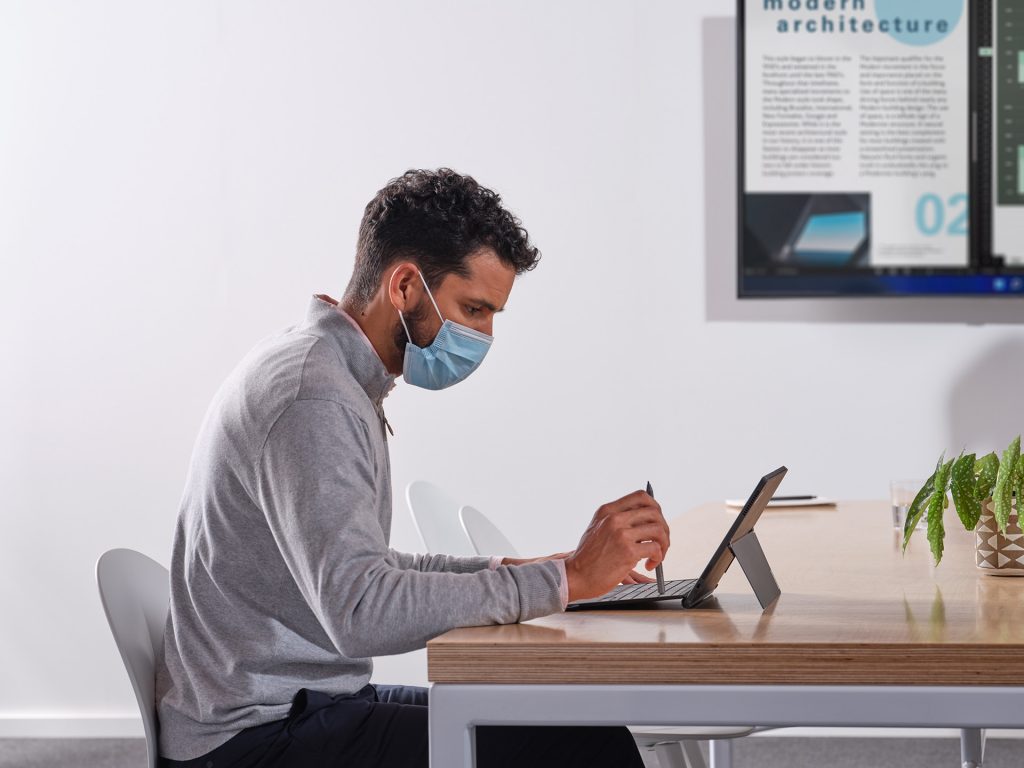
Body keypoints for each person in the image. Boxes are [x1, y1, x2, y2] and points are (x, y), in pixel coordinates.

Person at [156, 168, 671, 768]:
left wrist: (536, 569)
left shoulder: (331, 373)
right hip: (257, 739)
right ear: (404, 285)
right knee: (583, 749)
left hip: (307, 704)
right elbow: (359, 611)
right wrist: (567, 582)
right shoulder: (314, 399)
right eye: (473, 309)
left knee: (571, 730)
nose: (484, 334)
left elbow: (362, 570)